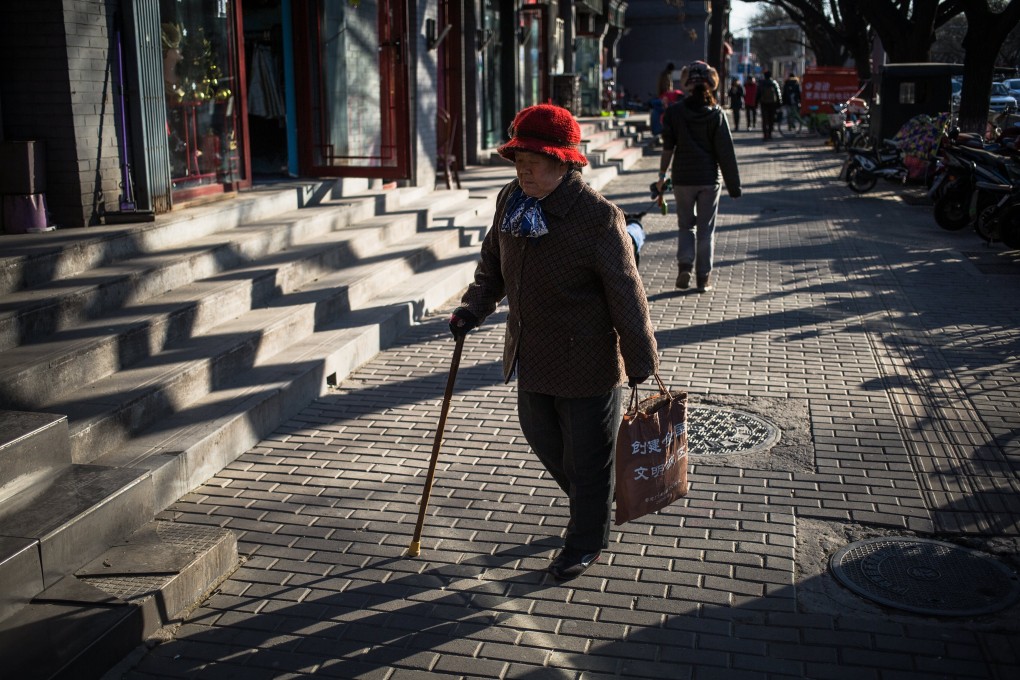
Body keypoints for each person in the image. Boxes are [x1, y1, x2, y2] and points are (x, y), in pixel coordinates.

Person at [449, 104, 659, 581]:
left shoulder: (598, 218)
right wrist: (472, 309)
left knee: (588, 457)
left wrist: (640, 359)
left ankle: (585, 539)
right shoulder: (511, 200)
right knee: (544, 439)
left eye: (534, 161)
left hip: (587, 362)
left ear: (564, 163)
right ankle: (595, 503)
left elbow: (627, 294)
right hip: (533, 353)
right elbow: (492, 268)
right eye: (518, 159)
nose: (523, 170)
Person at [656, 61, 741, 293]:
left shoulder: (674, 112)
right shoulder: (716, 114)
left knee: (686, 226)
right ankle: (703, 278)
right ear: (710, 84)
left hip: (682, 178)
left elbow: (667, 148)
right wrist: (734, 187)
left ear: (686, 85)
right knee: (706, 231)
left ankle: (685, 265)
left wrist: (662, 176)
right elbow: (726, 152)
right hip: (709, 179)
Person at [756, 70, 783, 140]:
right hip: (772, 103)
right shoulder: (774, 83)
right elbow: (778, 94)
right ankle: (770, 134)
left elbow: (758, 94)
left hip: (764, 103)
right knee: (771, 119)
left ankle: (765, 135)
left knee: (765, 120)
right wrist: (779, 103)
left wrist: (756, 103)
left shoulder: (761, 83)